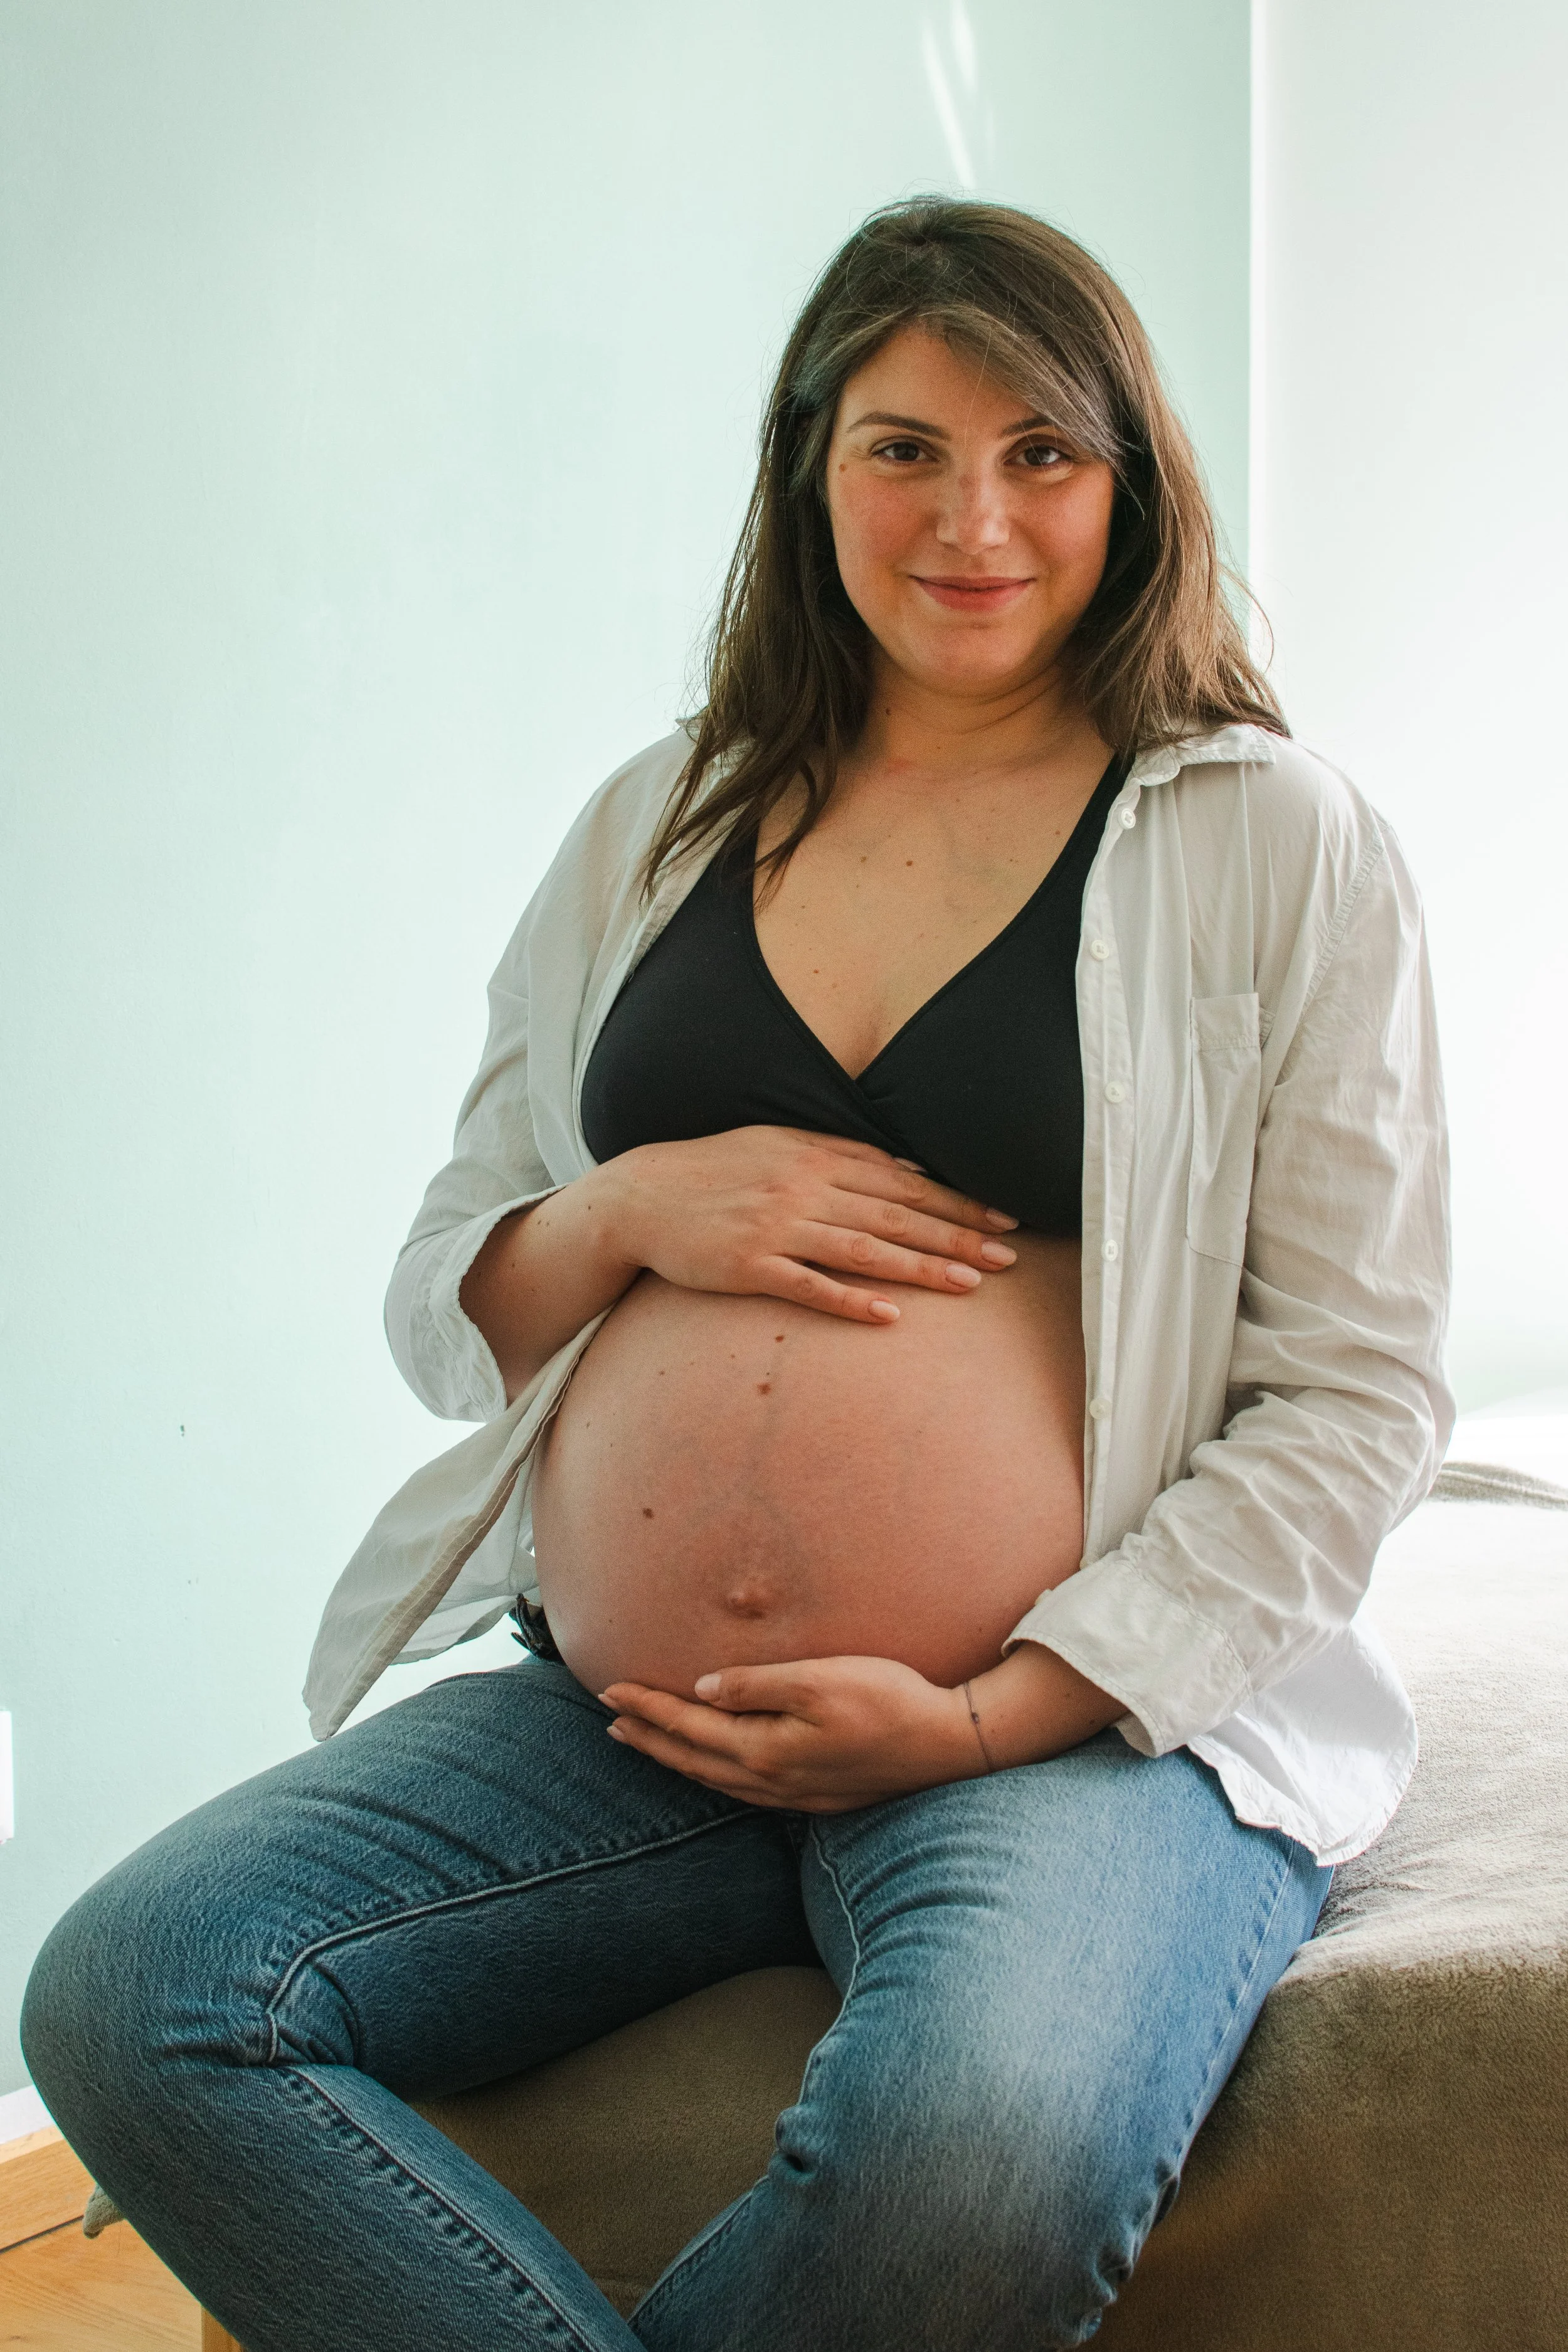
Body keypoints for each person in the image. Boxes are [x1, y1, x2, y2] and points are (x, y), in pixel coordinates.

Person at [23, 198, 1451, 2352]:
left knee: (976, 2145)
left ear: (1129, 481)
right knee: (136, 1992)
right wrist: (619, 1214)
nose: (971, 517)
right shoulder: (662, 815)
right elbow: (452, 1282)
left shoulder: (1262, 836)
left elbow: (1355, 1389)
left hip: (1075, 1722)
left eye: (1040, 454)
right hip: (629, 1719)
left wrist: (988, 1703)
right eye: (902, 448)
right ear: (808, 467)